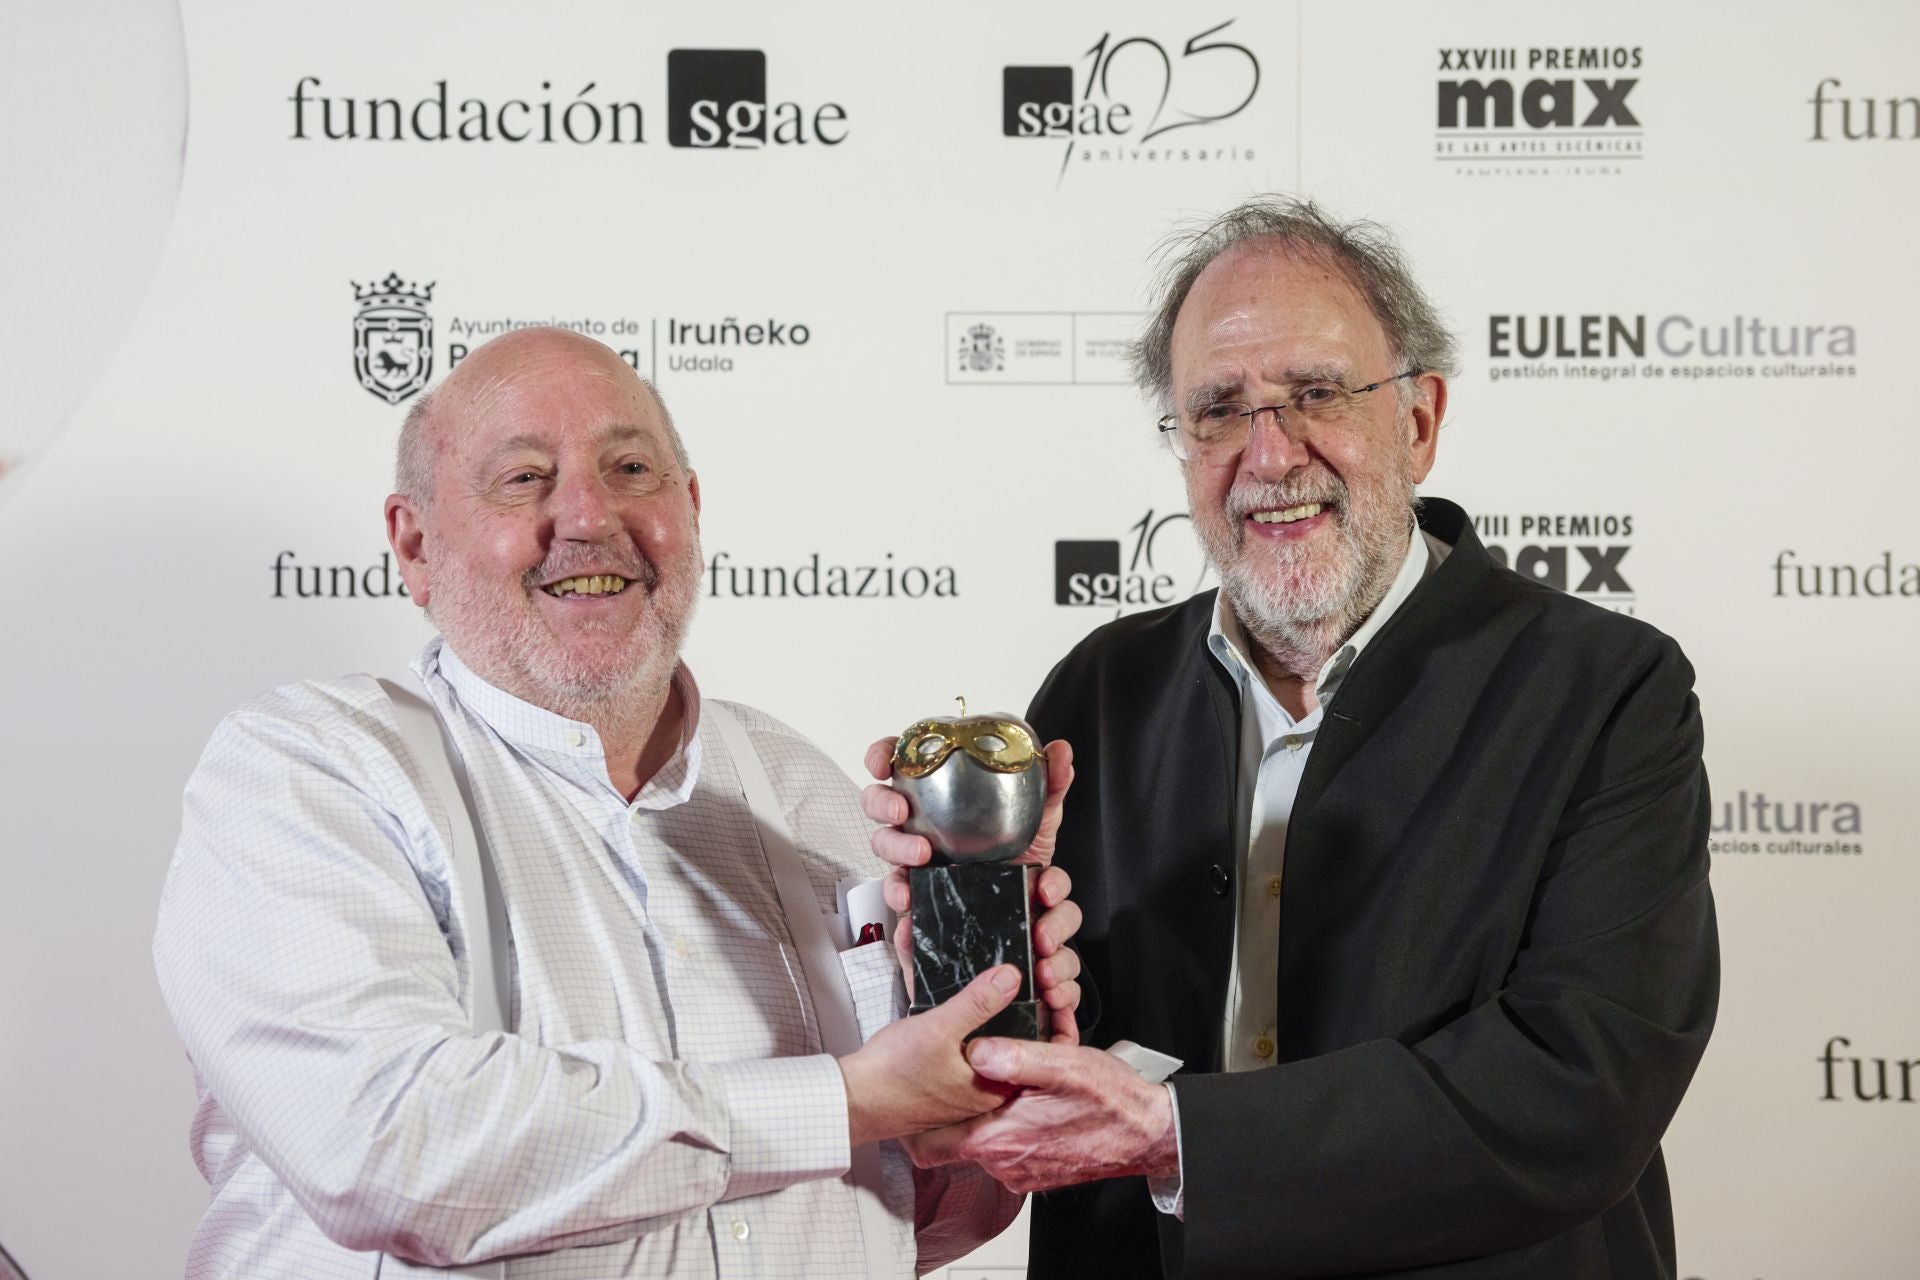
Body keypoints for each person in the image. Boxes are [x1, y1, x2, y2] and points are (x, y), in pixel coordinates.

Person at [862, 198, 1719, 1278]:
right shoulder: (1098, 689)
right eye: (1218, 409)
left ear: (1417, 421)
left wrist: (1183, 1138)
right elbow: (1040, 1077)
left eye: (1317, 393)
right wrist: (964, 951)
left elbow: (1584, 1079)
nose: (1270, 454)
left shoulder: (1606, 689)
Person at [152, 327, 1083, 1278]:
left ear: (689, 505)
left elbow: (918, 1218)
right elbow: (392, 1152)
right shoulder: (310, 771)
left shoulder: (800, 787)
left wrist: (984, 1067)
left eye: (630, 468)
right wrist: (846, 1099)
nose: (589, 516)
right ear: (416, 542)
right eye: (523, 479)